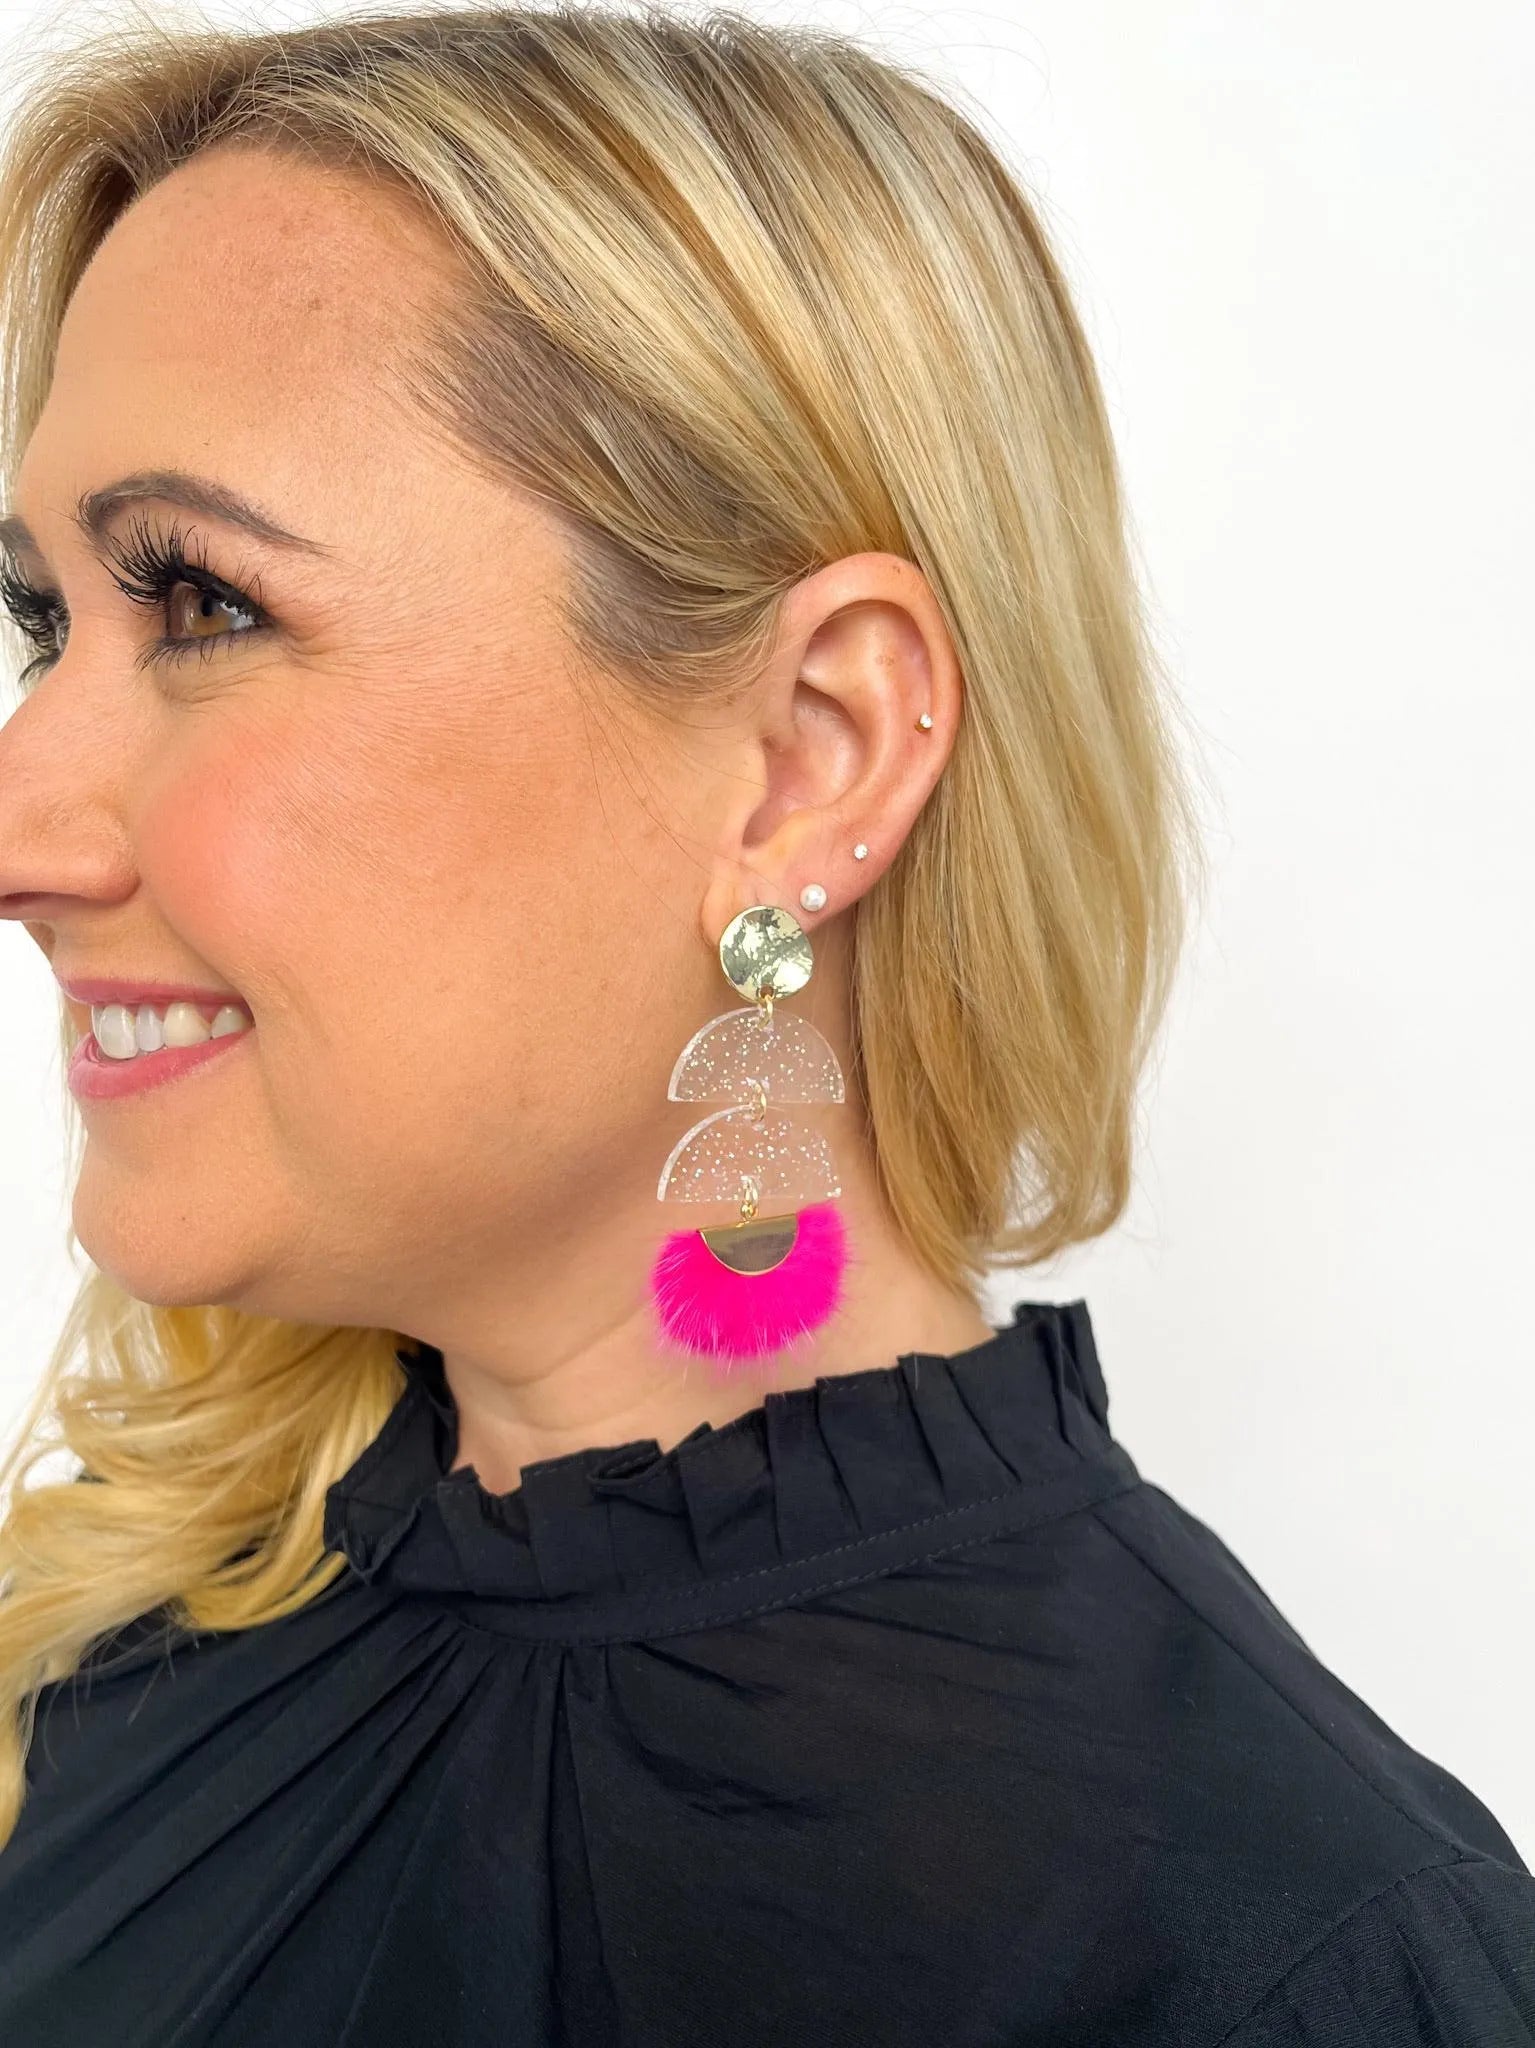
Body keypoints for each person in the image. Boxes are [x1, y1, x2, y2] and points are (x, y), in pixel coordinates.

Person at [0, 7, 1528, 2042]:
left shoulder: (1293, 1961)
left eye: (204, 604)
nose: (20, 825)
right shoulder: (102, 1677)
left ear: (811, 756)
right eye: (42, 622)